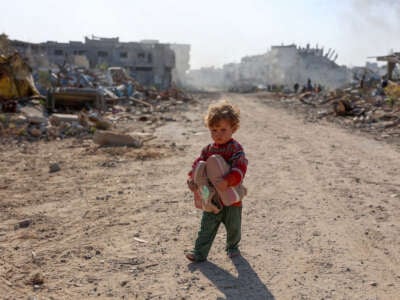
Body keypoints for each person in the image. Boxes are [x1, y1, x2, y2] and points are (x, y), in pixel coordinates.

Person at [185, 100, 248, 262]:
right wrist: (192, 180)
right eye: (214, 130)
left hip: (230, 194)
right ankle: (199, 252)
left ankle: (232, 247)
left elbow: (240, 167)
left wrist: (228, 180)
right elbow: (197, 167)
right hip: (210, 195)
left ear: (233, 129)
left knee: (233, 226)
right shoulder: (208, 150)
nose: (218, 134)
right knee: (206, 225)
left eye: (223, 130)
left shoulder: (235, 149)